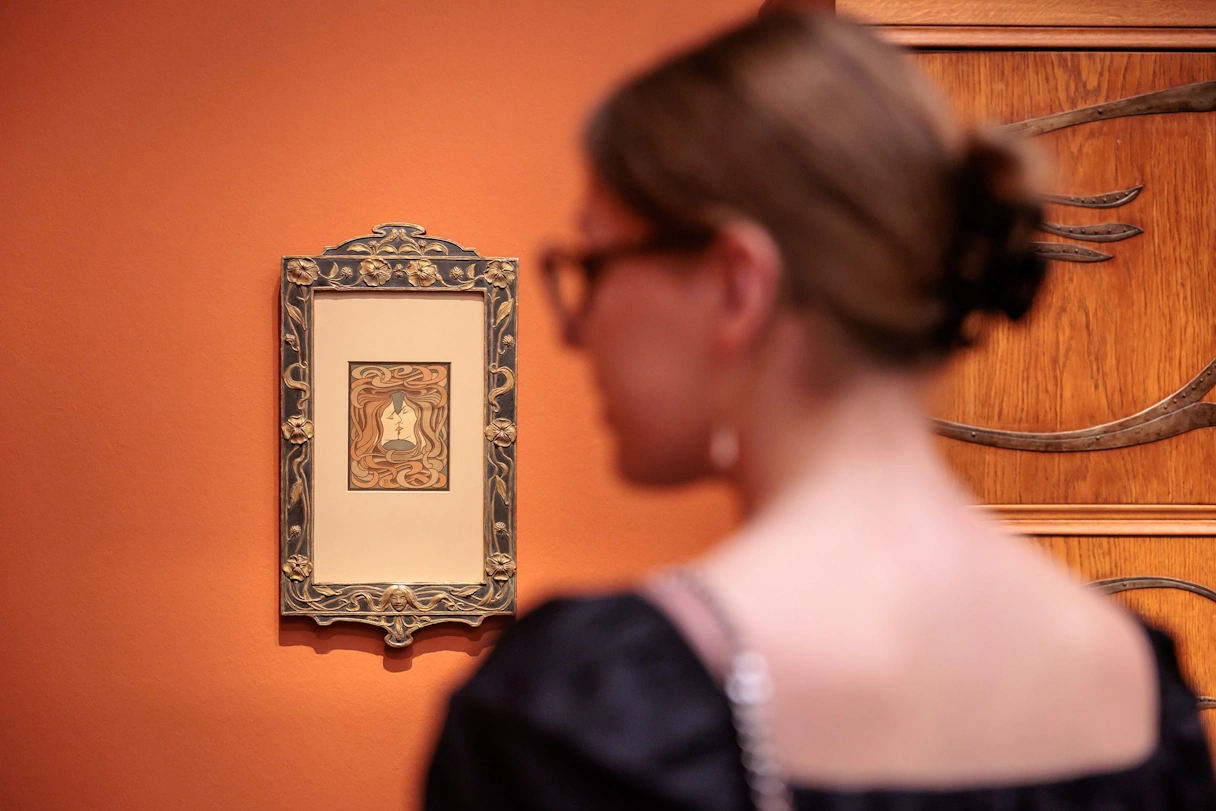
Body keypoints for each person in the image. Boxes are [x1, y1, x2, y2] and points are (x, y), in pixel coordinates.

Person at [425, 9, 1216, 810]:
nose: (575, 327)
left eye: (594, 261)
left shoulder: (584, 709)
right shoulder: (1137, 679)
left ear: (738, 283)